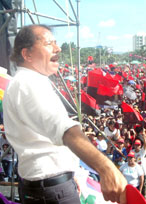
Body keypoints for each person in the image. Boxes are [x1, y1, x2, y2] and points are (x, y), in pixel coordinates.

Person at [3, 25, 127, 203]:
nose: (58, 48)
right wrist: (107, 168)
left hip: (48, 187)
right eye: (48, 43)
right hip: (50, 191)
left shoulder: (29, 81)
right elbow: (66, 131)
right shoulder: (28, 84)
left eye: (56, 42)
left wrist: (71, 171)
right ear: (27, 54)